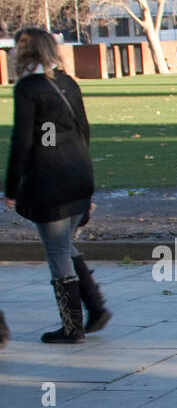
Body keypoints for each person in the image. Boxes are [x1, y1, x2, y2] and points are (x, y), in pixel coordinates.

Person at [4, 27, 110, 344]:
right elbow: (83, 130)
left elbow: (22, 141)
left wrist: (10, 188)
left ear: (26, 52)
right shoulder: (66, 82)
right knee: (64, 244)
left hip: (49, 180)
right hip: (78, 173)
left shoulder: (28, 88)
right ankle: (96, 307)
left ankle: (71, 326)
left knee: (57, 252)